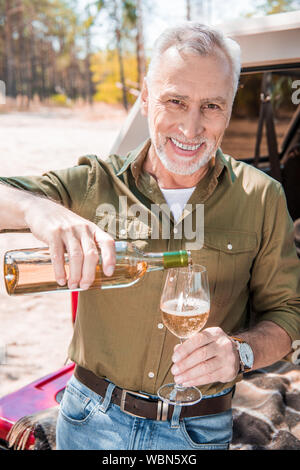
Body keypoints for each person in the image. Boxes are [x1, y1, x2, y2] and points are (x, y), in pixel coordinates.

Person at [0, 22, 299, 451]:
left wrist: (241, 353)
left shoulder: (262, 196)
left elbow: (288, 315)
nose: (191, 127)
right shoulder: (95, 183)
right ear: (145, 98)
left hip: (197, 432)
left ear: (229, 109)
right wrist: (37, 208)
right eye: (175, 100)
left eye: (211, 106)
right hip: (89, 420)